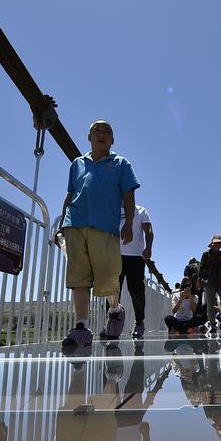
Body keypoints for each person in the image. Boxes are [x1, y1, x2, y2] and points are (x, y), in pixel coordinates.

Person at [58, 120, 140, 348]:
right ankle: (81, 327)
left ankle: (115, 309)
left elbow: (129, 196)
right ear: (89, 137)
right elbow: (70, 194)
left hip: (105, 227)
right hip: (74, 223)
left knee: (108, 277)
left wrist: (129, 223)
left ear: (112, 140)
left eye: (107, 132)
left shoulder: (121, 163)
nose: (102, 134)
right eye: (97, 131)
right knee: (79, 276)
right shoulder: (77, 163)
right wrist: (61, 223)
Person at [103, 204, 153, 340]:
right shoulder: (112, 208)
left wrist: (148, 247)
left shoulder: (141, 210)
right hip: (114, 255)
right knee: (111, 290)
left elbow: (148, 231)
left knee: (136, 291)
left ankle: (139, 322)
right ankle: (111, 322)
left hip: (135, 256)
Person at [198, 234, 221, 332]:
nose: (217, 245)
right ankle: (212, 323)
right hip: (210, 282)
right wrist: (199, 280)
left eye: (219, 243)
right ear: (212, 244)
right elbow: (201, 268)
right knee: (210, 303)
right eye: (216, 243)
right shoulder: (206, 254)